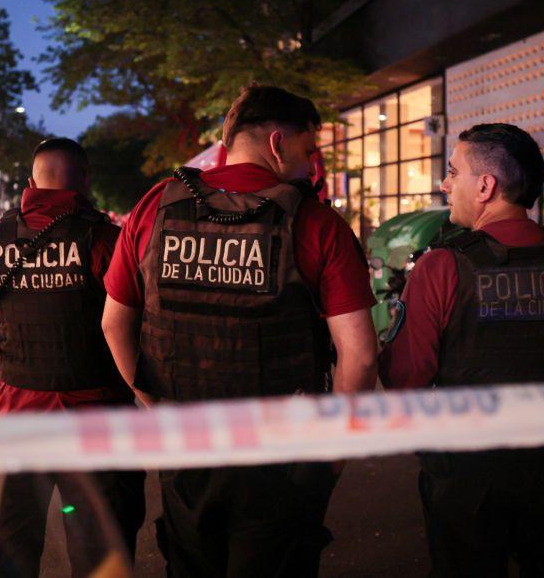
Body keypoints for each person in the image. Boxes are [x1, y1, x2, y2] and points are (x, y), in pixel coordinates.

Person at [101, 84, 379, 577]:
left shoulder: (154, 207)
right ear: (277, 143)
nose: (312, 165)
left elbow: (114, 322)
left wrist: (151, 402)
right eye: (308, 149)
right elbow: (358, 355)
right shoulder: (316, 223)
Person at [380, 123, 544, 577]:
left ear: (485, 186)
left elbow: (406, 378)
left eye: (453, 172)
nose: (445, 185)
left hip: (469, 477)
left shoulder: (441, 266)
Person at [0, 138, 145, 575]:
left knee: (14, 546)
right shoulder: (107, 239)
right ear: (86, 179)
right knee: (101, 553)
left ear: (30, 181)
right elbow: (138, 326)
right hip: (98, 421)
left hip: (19, 419)